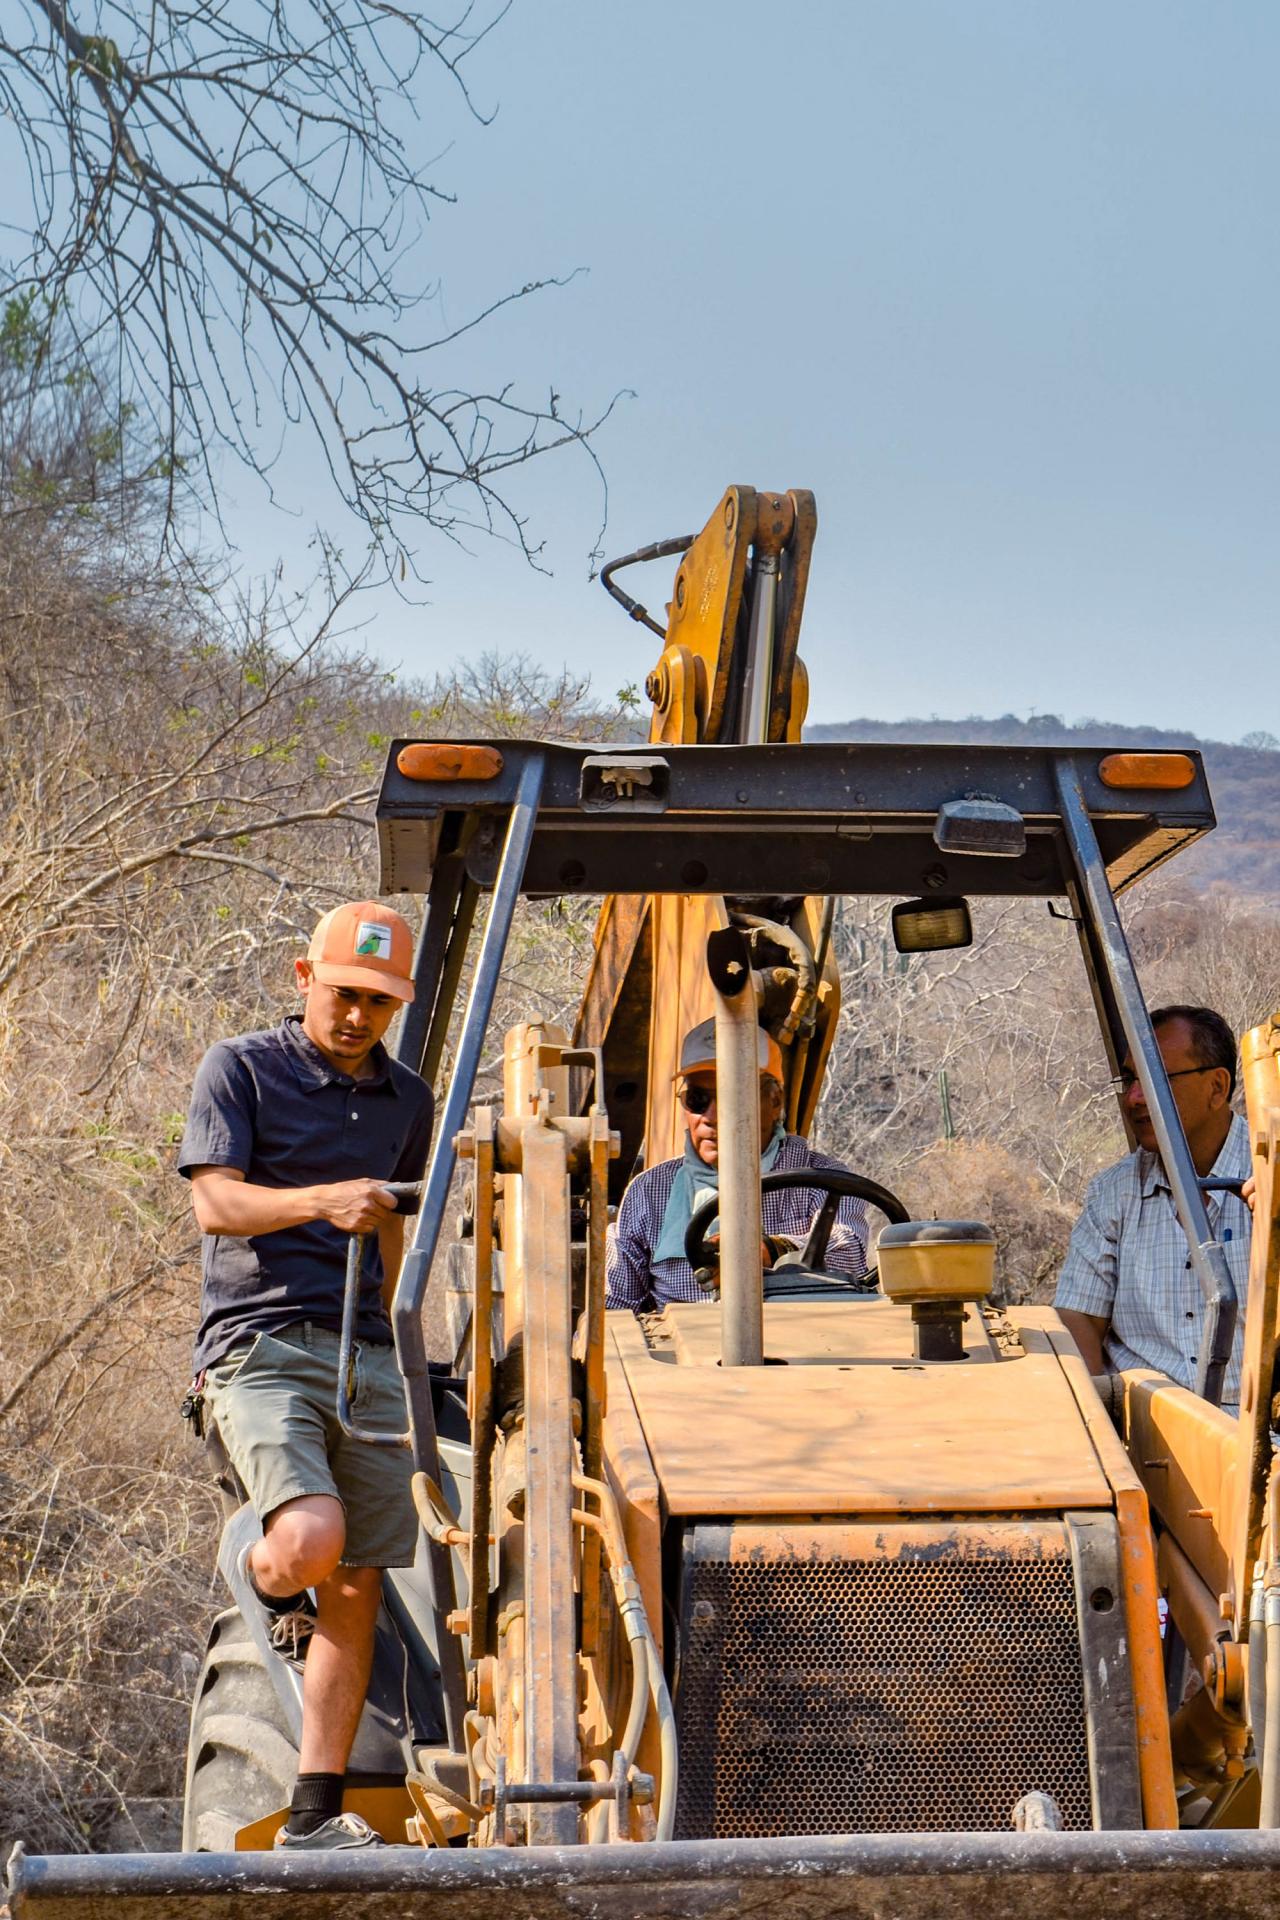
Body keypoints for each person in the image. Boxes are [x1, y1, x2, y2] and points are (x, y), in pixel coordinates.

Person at [179, 901, 433, 1852]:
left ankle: (315, 1815)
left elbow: (400, 1228)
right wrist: (322, 1202)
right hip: (262, 1341)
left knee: (362, 1584)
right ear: (302, 977)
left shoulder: (408, 1102)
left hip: (364, 1352)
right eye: (345, 994)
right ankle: (263, 1565)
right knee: (314, 1542)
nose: (360, 1015)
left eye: (379, 1001)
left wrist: (408, 1338)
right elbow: (217, 1205)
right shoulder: (240, 1069)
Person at [1055, 1004, 1251, 1407]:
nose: (1134, 1098)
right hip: (1142, 1424)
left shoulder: (1268, 1180)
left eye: (1156, 1079)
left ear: (1217, 1087)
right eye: (1129, 1079)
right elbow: (1079, 1319)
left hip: (1254, 1433)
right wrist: (1098, 1418)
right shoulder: (1115, 1192)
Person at [606, 1017, 869, 1313]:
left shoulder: (822, 1181)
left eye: (732, 1096)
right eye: (698, 1099)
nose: (712, 1116)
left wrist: (772, 1250)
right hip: (681, 1353)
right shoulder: (648, 1191)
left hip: (804, 1342)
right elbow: (615, 1309)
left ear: (774, 1101)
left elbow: (850, 1252)